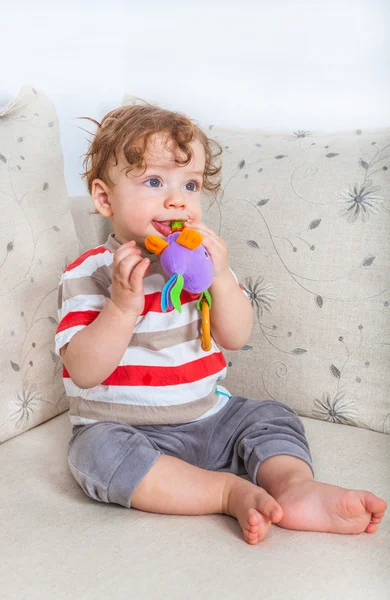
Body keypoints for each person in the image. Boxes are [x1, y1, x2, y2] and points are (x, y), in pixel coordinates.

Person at [55, 103, 387, 545]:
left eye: (189, 185)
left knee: (271, 415)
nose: (177, 199)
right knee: (96, 456)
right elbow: (84, 370)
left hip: (210, 418)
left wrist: (223, 278)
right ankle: (227, 492)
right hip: (125, 428)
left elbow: (235, 335)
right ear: (103, 198)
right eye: (154, 182)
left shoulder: (200, 266)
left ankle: (293, 488)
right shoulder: (91, 272)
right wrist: (121, 307)